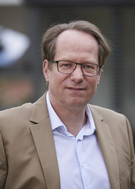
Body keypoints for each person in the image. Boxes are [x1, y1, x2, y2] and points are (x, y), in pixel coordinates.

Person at [0, 20, 134, 189]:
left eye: (88, 66)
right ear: (46, 70)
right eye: (66, 65)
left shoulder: (119, 126)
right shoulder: (5, 129)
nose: (78, 76)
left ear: (99, 74)